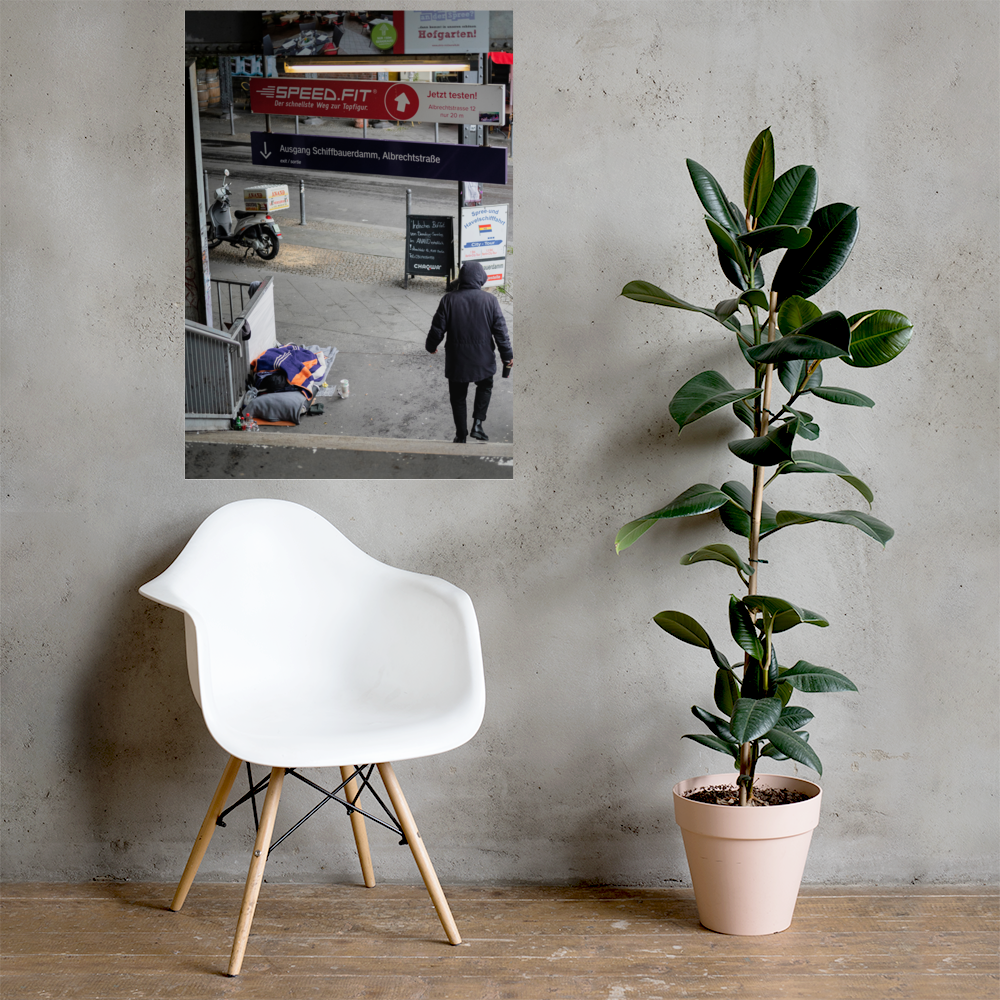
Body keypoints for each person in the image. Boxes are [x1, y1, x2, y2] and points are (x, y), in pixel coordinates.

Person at [426, 261, 513, 443]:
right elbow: (501, 332)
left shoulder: (449, 300)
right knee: (485, 386)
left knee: (458, 397)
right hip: (483, 359)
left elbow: (437, 329)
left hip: (458, 361)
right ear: (481, 278)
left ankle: (461, 434)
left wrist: (431, 346)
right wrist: (507, 356)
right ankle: (478, 425)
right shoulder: (490, 301)